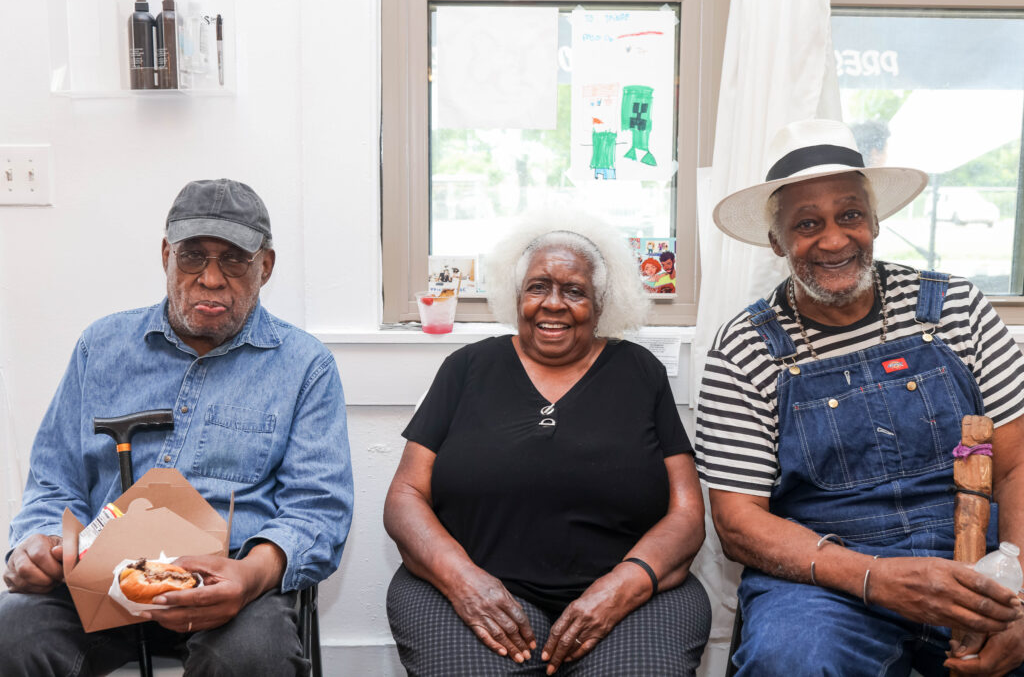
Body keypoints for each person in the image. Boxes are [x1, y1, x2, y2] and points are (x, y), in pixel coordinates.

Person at [697, 119, 1024, 675]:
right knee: (790, 660)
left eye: (850, 214)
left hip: (976, 558)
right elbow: (738, 523)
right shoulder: (745, 347)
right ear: (777, 241)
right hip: (827, 576)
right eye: (807, 223)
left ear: (875, 220)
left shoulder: (957, 308)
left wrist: (1016, 590)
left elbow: (1016, 467)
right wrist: (874, 576)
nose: (833, 239)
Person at [1, 179, 354, 676]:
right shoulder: (100, 347)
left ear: (265, 267)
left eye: (233, 260)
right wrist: (36, 542)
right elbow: (54, 481)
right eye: (192, 257)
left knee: (251, 657)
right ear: (166, 255)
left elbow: (317, 510)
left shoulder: (305, 366)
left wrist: (251, 576)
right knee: (10, 631)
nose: (210, 278)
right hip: (100, 578)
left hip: (228, 585)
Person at [384, 211, 710, 676]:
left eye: (574, 290)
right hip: (474, 586)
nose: (552, 303)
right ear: (517, 296)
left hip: (627, 594)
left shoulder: (640, 372)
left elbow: (686, 513)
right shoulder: (466, 367)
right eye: (538, 286)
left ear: (601, 303)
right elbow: (404, 496)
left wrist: (622, 586)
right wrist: (462, 580)